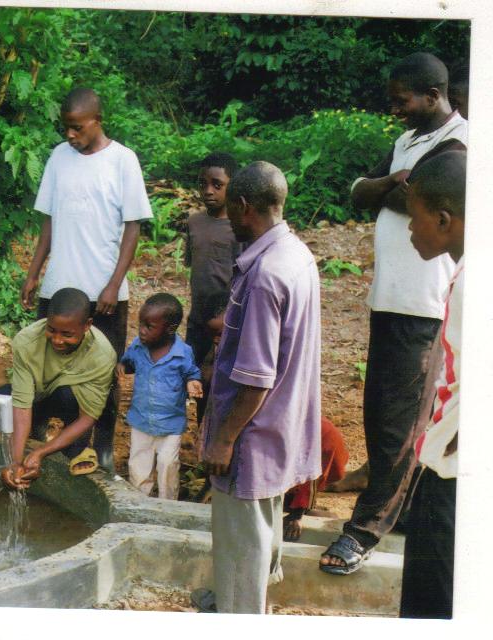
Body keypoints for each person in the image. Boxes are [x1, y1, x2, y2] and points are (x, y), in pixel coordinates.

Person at [321, 52, 467, 575]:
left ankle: (363, 531)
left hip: (426, 305)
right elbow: (363, 191)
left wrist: (395, 188)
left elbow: (418, 196)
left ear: (434, 95)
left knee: (399, 424)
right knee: (382, 413)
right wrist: (391, 185)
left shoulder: (462, 143)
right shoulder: (409, 141)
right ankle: (399, 511)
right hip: (389, 299)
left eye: (402, 100)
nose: (395, 109)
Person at [191, 161, 321, 614]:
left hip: (251, 438)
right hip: (279, 430)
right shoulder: (298, 255)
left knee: (241, 550)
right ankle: (246, 603)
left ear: (244, 207)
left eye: (229, 209)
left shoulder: (265, 275)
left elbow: (256, 376)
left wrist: (223, 439)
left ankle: (241, 614)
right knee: (261, 533)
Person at [20, 87, 153, 471]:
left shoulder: (123, 161)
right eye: (66, 129)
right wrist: (33, 273)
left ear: (97, 122)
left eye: (77, 128)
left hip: (104, 292)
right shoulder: (59, 159)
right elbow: (48, 221)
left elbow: (132, 228)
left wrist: (113, 283)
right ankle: (41, 430)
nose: (70, 136)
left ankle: (104, 445)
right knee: (43, 363)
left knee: (103, 373)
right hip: (59, 290)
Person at [0, 287, 116, 488]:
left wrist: (41, 452)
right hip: (35, 396)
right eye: (52, 330)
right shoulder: (27, 340)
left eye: (67, 334)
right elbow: (21, 405)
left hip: (71, 403)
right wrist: (15, 463)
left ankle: (76, 448)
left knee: (67, 395)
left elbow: (87, 417)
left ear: (87, 326)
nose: (57, 340)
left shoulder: (102, 355)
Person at [399, 150, 465, 619]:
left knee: (432, 603)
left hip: (452, 474)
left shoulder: (471, 284)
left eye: (413, 218)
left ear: (443, 220)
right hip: (449, 462)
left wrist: (440, 449)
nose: (409, 229)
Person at [117, 293, 202, 500]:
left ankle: (168, 503)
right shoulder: (138, 346)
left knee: (167, 464)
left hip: (170, 424)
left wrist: (193, 382)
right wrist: (122, 366)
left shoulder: (183, 353)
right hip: (141, 420)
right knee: (139, 464)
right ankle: (139, 501)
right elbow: (128, 362)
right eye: (141, 325)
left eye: (149, 327)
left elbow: (192, 372)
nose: (142, 331)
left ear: (170, 329)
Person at [184, 152, 241, 426]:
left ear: (232, 186)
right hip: (198, 318)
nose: (208, 191)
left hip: (226, 321)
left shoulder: (239, 227)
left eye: (217, 185)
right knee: (197, 380)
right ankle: (201, 439)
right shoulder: (194, 222)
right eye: (203, 183)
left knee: (222, 380)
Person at [282, 418, 349, 542]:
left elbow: (309, 476)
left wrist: (297, 516)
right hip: (302, 437)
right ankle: (302, 507)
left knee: (304, 483)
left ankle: (306, 510)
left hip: (322, 444)